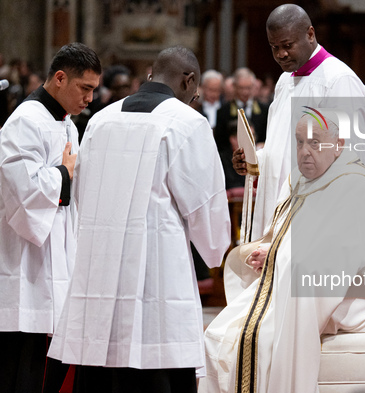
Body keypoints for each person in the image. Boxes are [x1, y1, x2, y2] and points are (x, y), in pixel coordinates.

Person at [47, 46, 231, 393]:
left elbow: (82, 198)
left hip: (99, 272)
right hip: (157, 275)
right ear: (189, 80)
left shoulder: (101, 118)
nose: (192, 99)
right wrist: (218, 253)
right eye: (193, 92)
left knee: (101, 364)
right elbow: (205, 204)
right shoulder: (188, 123)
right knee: (154, 367)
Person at [200, 113, 365, 393]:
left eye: (315, 143)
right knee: (216, 336)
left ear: (338, 143)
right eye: (299, 142)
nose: (305, 151)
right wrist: (271, 250)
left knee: (261, 340)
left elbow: (341, 253)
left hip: (350, 298)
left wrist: (279, 257)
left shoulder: (357, 186)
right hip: (297, 287)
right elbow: (298, 238)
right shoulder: (305, 180)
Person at [0, 42, 101, 393]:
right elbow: (19, 190)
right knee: (24, 367)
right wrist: (64, 174)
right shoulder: (26, 121)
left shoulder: (67, 123)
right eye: (84, 88)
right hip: (29, 263)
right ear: (60, 78)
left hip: (57, 253)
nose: (89, 98)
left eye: (93, 90)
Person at [233, 4, 365, 241]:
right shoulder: (285, 81)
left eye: (287, 45)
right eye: (274, 47)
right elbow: (282, 147)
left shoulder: (339, 81)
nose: (280, 54)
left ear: (310, 34)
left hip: (318, 213)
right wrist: (255, 160)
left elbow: (354, 155)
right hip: (282, 207)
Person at [215, 67, 268, 152]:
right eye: (241, 88)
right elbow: (220, 144)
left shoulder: (265, 110)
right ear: (234, 86)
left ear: (254, 87)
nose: (245, 92)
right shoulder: (223, 111)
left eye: (248, 88)